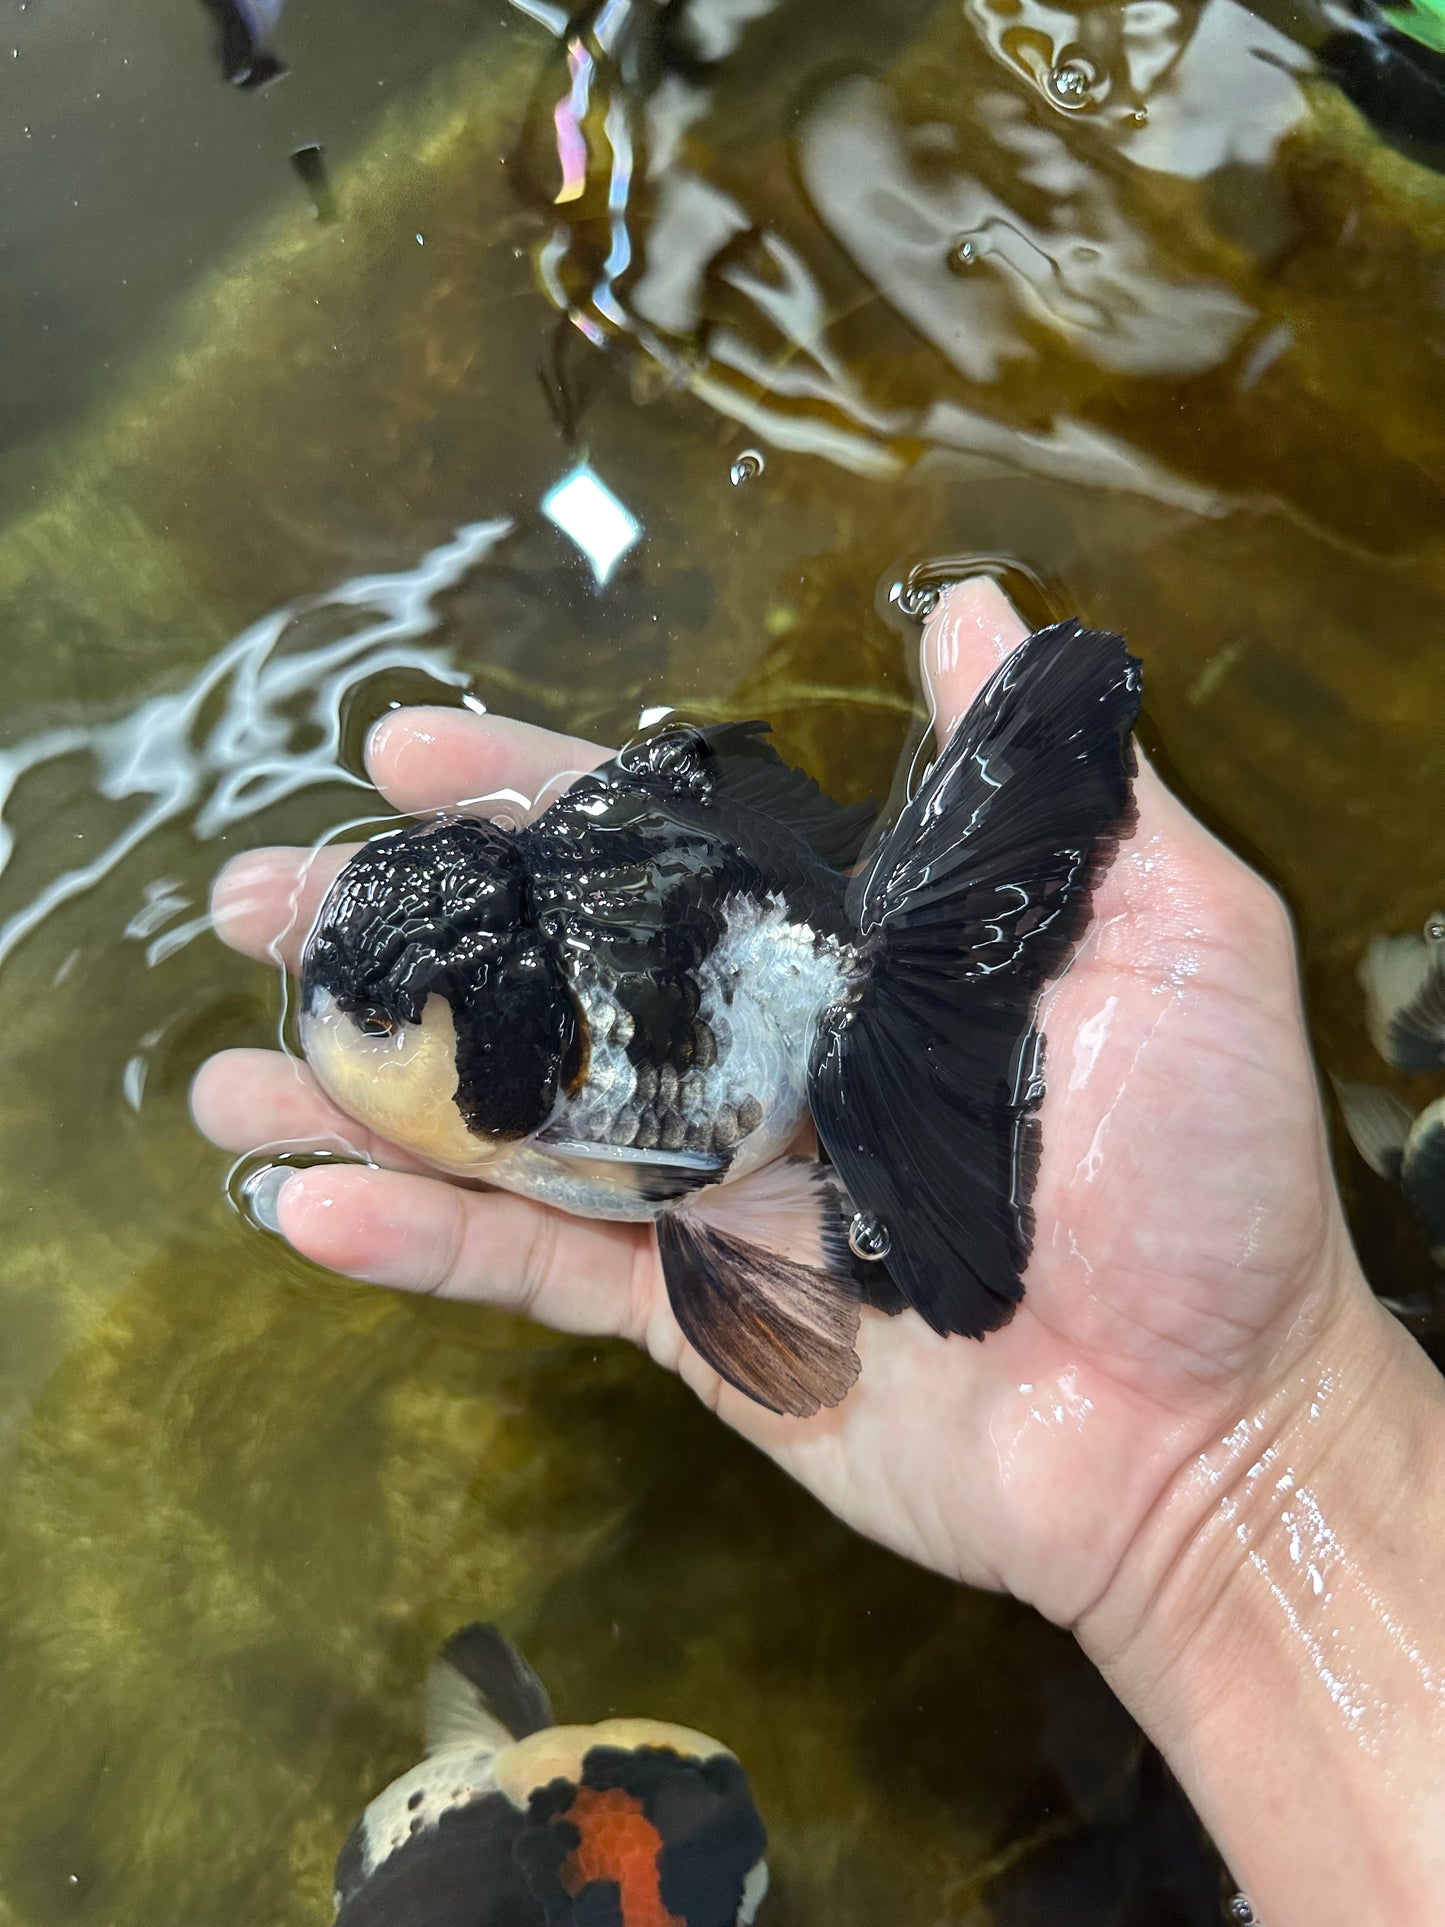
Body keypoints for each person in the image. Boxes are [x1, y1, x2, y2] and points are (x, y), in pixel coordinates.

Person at [192, 579, 1445, 1926]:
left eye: (381, 1023)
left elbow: (685, 1173)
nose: (344, 1033)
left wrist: (1237, 1446)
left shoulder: (590, 1076)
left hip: (768, 1046)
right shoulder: (534, 1054)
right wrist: (1249, 1460)